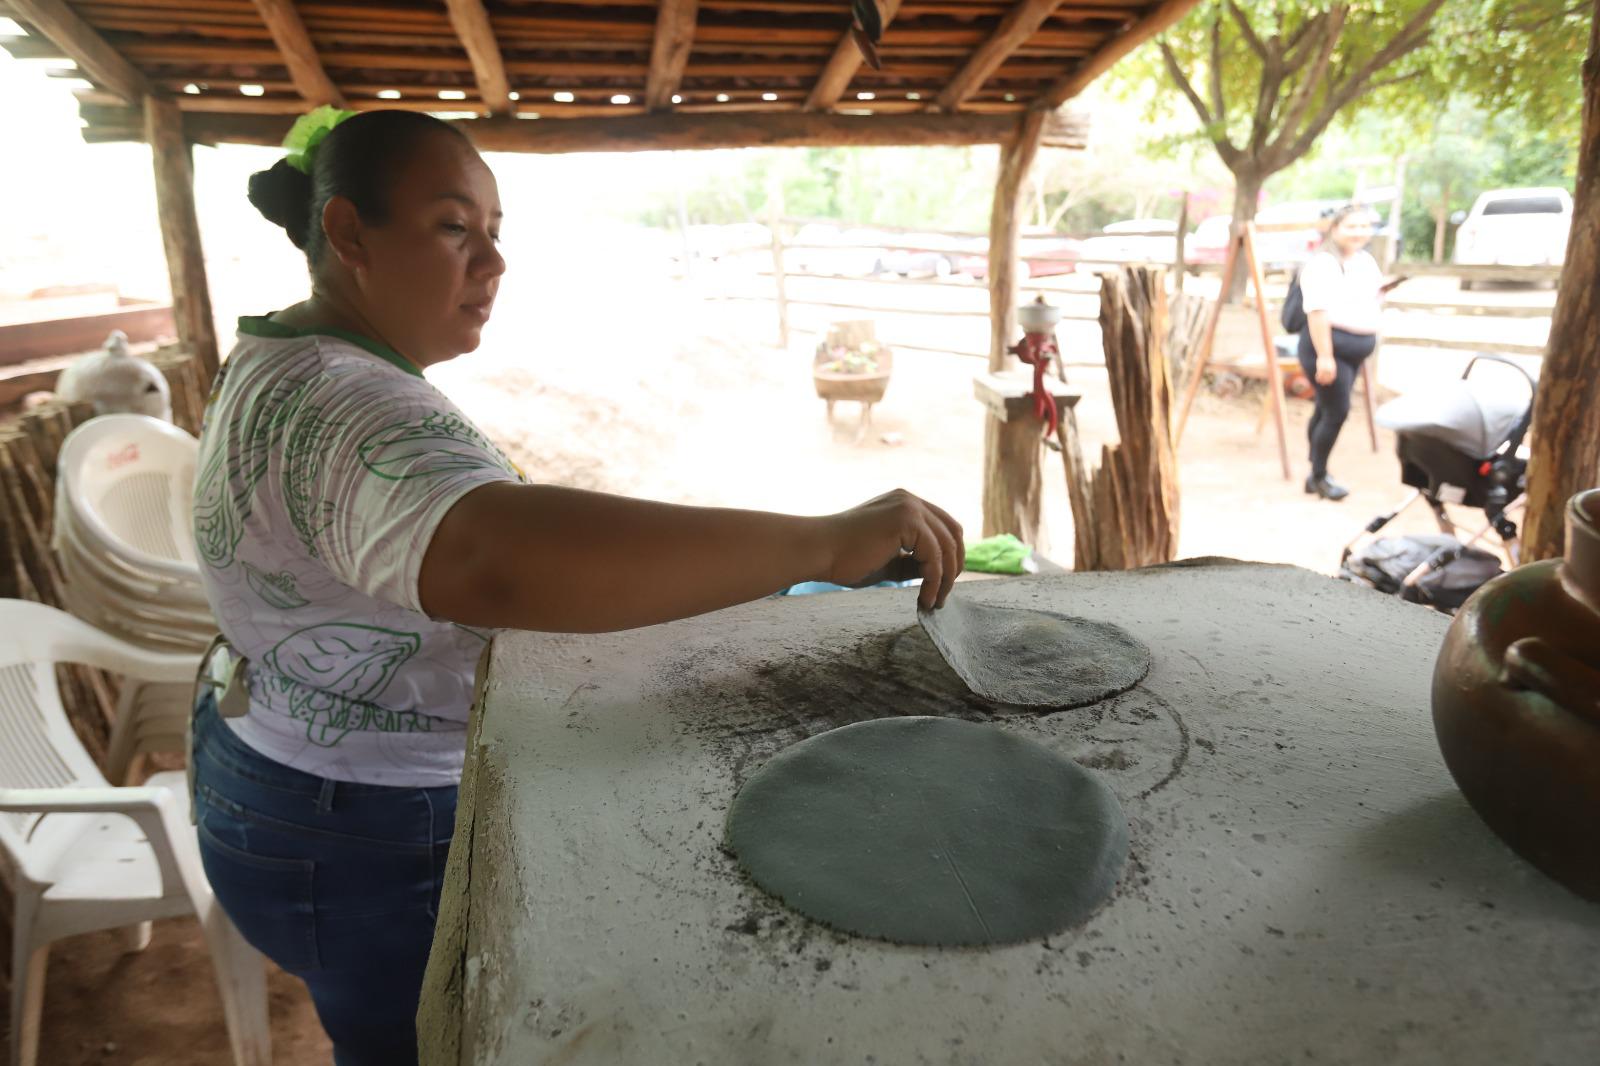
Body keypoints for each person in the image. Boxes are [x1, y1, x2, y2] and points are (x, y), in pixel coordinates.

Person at [190, 108, 964, 1066]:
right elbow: (495, 561)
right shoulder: (351, 401)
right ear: (349, 233)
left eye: (495, 232)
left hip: (281, 768)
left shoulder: (288, 357)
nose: (493, 262)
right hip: (362, 827)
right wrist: (820, 543)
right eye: (452, 225)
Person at [1296, 204, 1385, 501]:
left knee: (1325, 408)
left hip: (1355, 349)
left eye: (1363, 226)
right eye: (1351, 226)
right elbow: (1317, 311)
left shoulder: (1366, 262)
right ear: (1335, 229)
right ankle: (1320, 476)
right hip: (1328, 347)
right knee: (1337, 411)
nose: (1358, 232)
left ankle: (1314, 474)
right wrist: (1325, 355)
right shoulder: (1323, 264)